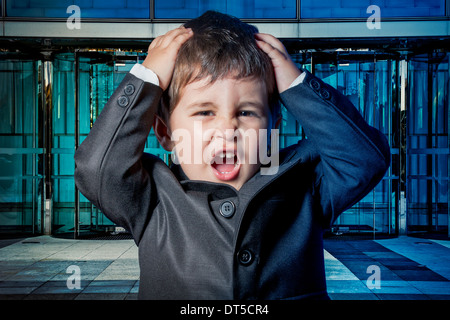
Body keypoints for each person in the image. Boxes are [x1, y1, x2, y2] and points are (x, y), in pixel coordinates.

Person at [74, 11, 390, 300]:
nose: (227, 129)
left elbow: (364, 158)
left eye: (247, 112)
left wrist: (296, 84)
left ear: (272, 129)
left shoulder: (307, 183)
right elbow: (96, 170)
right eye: (204, 111)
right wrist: (147, 78)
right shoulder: (150, 197)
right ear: (166, 133)